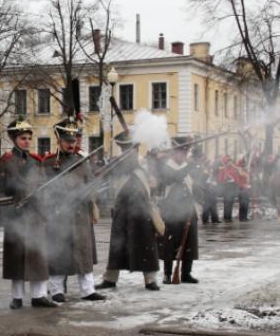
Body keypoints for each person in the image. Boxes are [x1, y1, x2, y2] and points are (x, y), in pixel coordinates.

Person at [0, 118, 56, 309]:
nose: (27, 141)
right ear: (13, 139)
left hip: (35, 214)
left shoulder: (37, 161)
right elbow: (1, 188)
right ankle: (17, 297)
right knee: (16, 258)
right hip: (16, 215)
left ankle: (39, 295)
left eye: (29, 138)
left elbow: (44, 186)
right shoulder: (6, 161)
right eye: (22, 138)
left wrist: (42, 200)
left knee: (37, 256)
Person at [41, 118, 105, 302]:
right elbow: (43, 188)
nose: (71, 143)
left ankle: (88, 289)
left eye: (74, 140)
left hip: (80, 215)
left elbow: (91, 185)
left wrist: (89, 192)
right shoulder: (49, 162)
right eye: (68, 140)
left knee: (84, 252)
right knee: (60, 253)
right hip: (59, 214)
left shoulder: (82, 161)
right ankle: (56, 290)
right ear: (59, 140)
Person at [96, 131, 161, 291]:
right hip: (122, 210)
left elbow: (157, 179)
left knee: (146, 245)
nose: (127, 151)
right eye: (124, 148)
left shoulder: (145, 163)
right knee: (117, 246)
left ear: (136, 148)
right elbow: (114, 171)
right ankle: (110, 279)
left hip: (143, 210)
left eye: (129, 148)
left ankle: (150, 280)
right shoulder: (117, 164)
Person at [158, 137, 199, 285]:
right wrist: (190, 166)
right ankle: (168, 274)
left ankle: (186, 273)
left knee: (189, 241)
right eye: (181, 152)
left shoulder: (188, 167)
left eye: (185, 152)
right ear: (174, 152)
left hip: (188, 208)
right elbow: (174, 177)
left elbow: (197, 184)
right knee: (169, 242)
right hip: (172, 209)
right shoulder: (166, 166)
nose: (183, 155)